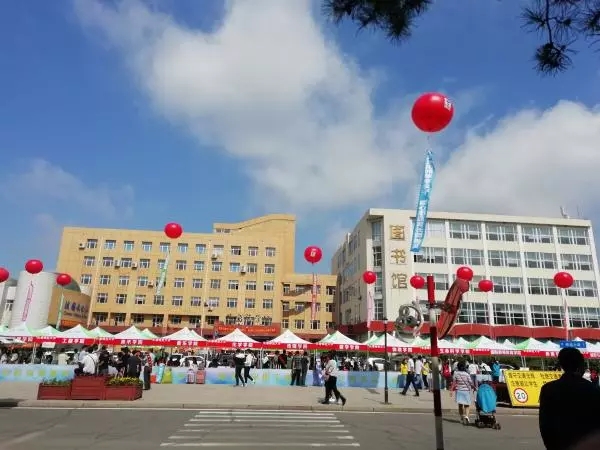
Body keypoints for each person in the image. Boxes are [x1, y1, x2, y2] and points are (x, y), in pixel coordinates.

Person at [539, 348, 600, 450]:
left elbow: (544, 425)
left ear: (561, 365)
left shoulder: (548, 389)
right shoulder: (593, 390)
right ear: (581, 365)